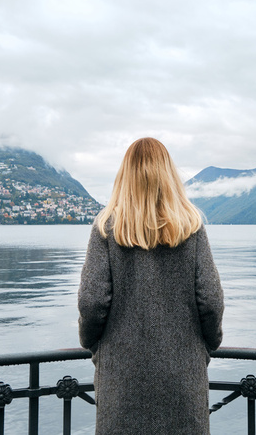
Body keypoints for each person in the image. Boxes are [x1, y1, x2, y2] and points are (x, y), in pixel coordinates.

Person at [78, 137, 224, 434]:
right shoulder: (192, 227)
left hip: (121, 378)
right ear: (168, 176)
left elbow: (92, 303)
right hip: (183, 377)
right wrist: (204, 348)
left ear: (124, 177)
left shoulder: (106, 229)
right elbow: (210, 300)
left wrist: (93, 345)